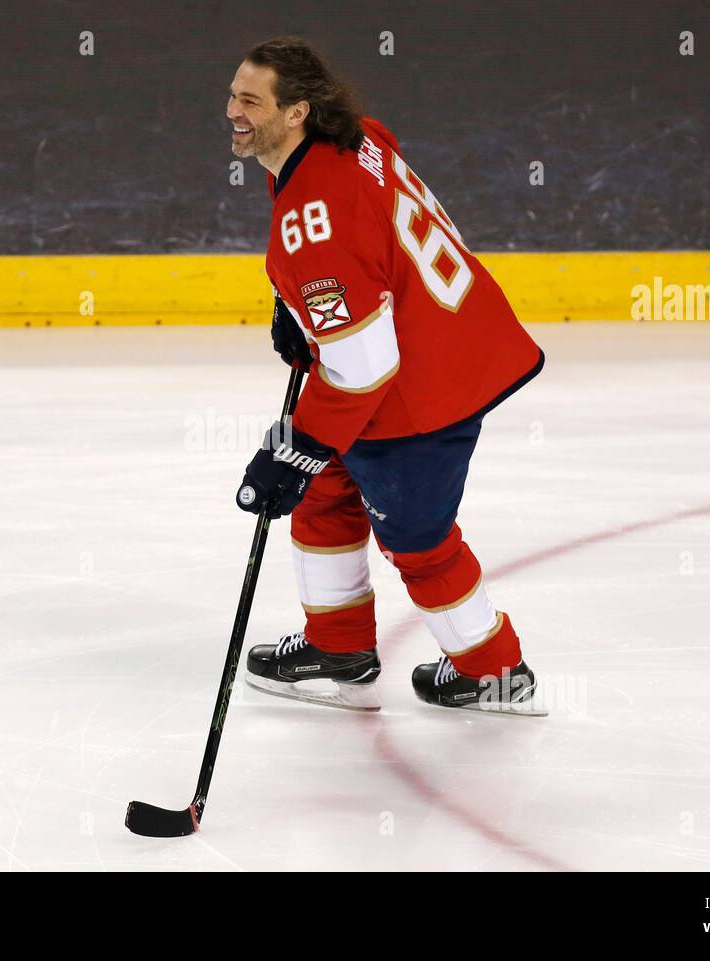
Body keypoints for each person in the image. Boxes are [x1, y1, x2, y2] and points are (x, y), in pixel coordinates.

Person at [227, 37, 545, 712]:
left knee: (418, 539)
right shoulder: (354, 138)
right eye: (233, 94)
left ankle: (495, 671)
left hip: (423, 389)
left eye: (251, 101)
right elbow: (364, 244)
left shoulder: (317, 227)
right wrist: (298, 306)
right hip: (446, 338)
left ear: (297, 112)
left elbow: (363, 364)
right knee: (325, 493)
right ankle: (338, 645)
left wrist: (296, 450)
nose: (232, 111)